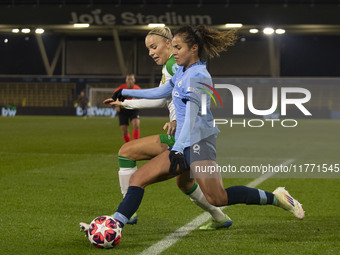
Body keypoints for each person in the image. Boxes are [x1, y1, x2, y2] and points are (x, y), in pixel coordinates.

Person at [106, 24, 304, 233]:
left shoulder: (199, 75)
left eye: (178, 48)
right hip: (184, 143)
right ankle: (114, 225)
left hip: (200, 144)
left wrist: (178, 148)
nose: (173, 52)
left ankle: (277, 198)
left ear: (194, 48)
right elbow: (162, 91)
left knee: (218, 198)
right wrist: (125, 92)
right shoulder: (182, 71)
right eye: (173, 47)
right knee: (139, 179)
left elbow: (192, 116)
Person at [80, 27, 232, 231]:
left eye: (154, 47)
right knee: (186, 185)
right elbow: (168, 96)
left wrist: (129, 104)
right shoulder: (176, 65)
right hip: (187, 135)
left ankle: (125, 214)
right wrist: (126, 100)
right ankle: (219, 216)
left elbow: (164, 99)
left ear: (169, 44)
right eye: (148, 49)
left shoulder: (173, 65)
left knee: (127, 152)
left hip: (183, 136)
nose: (151, 52)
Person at [115, 74, 141, 142]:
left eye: (131, 79)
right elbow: (115, 96)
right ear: (126, 80)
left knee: (136, 125)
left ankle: (135, 143)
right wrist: (117, 105)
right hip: (123, 110)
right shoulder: (122, 87)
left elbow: (142, 97)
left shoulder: (137, 88)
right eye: (128, 79)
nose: (130, 81)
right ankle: (128, 144)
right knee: (124, 130)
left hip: (133, 109)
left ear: (134, 80)